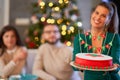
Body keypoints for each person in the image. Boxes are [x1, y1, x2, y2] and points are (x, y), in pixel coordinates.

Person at [72, 2, 120, 80]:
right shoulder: (80, 38)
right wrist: (80, 65)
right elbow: (74, 66)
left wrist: (115, 67)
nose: (97, 18)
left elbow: (116, 65)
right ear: (92, 14)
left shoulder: (114, 38)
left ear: (108, 20)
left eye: (103, 16)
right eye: (97, 13)